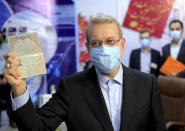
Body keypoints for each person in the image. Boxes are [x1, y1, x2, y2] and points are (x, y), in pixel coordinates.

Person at [3, 15, 166, 131]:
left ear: (122, 44)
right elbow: (37, 127)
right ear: (88, 48)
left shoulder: (147, 83)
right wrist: (19, 88)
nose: (104, 48)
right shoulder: (71, 87)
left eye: (110, 41)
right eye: (96, 43)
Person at [161, 19, 185, 130]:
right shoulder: (165, 48)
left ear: (182, 30)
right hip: (170, 89)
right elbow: (163, 68)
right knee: (171, 115)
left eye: (177, 29)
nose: (174, 31)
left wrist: (178, 75)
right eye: (172, 29)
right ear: (169, 31)